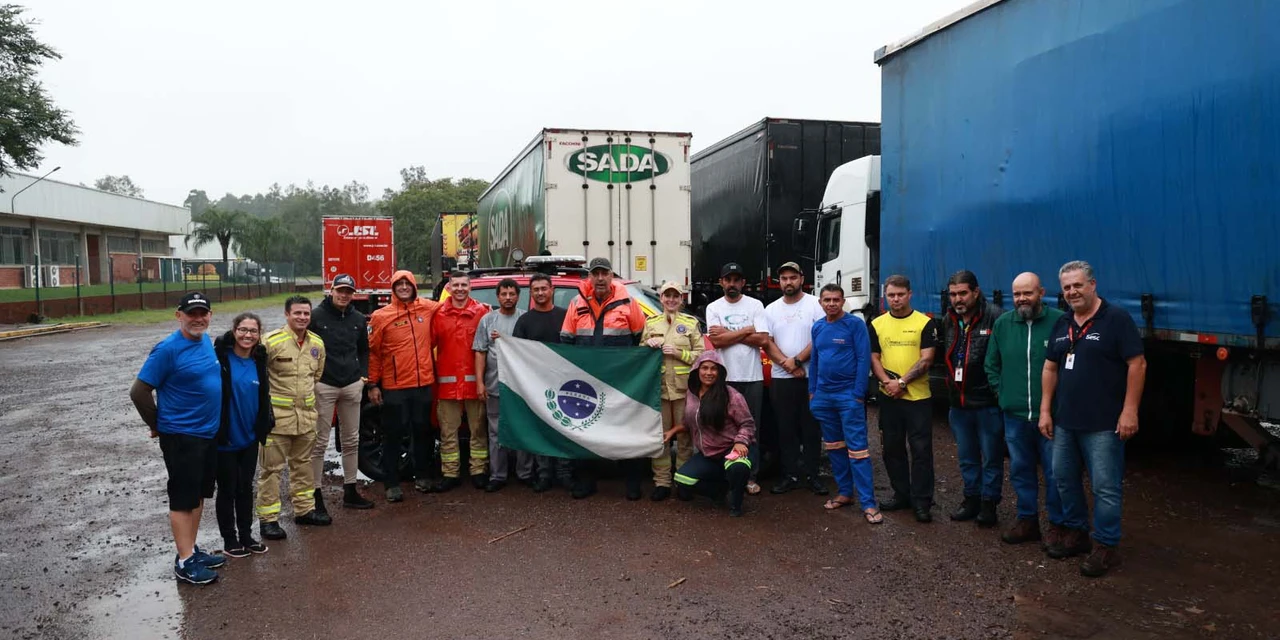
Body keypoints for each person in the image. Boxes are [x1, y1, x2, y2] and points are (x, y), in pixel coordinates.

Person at [1040, 260, 1145, 577]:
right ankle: (1077, 533)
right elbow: (1050, 368)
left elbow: (1137, 365)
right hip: (1065, 422)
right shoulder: (1063, 323)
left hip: (1103, 424)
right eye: (1067, 287)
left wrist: (1130, 410)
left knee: (1105, 487)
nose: (1072, 291)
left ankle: (1106, 546)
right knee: (1063, 479)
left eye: (1078, 285)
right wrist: (1045, 409)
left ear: (1093, 284)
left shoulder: (1116, 319)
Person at [130, 292, 227, 584]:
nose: (198, 319)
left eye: (203, 313)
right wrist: (158, 424)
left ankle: (191, 550)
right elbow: (139, 391)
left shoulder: (205, 343)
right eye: (191, 314)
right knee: (183, 499)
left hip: (207, 434)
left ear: (210, 315)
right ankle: (184, 562)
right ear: (179, 315)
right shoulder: (168, 349)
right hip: (182, 437)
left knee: (198, 494)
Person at [985, 272, 1065, 545]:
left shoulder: (1059, 322)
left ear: (1041, 292)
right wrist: (1002, 392)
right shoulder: (1004, 324)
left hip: (1052, 416)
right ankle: (1027, 519)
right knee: (1020, 469)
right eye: (1017, 294)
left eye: (1028, 293)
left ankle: (1058, 524)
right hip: (1015, 416)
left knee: (1056, 473)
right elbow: (991, 364)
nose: (1022, 299)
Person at [560, 257, 647, 499]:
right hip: (587, 381)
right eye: (595, 273)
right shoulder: (576, 302)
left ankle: (632, 482)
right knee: (586, 429)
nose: (599, 278)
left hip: (622, 381)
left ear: (611, 276)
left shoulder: (628, 302)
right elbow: (566, 341)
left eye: (604, 273)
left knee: (627, 429)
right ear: (589, 277)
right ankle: (586, 481)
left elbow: (641, 338)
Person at [257, 295, 330, 540]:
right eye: (297, 313)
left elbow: (316, 376)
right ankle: (268, 520)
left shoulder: (317, 344)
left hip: (306, 420)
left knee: (303, 467)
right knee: (272, 471)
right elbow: (258, 376)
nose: (302, 318)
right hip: (277, 421)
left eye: (306, 314)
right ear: (287, 314)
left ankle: (304, 510)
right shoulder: (271, 342)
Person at [868, 274, 939, 523]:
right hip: (889, 397)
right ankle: (902, 494)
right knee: (892, 449)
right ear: (885, 297)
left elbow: (927, 359)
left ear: (910, 294)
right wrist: (887, 383)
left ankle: (922, 501)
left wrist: (901, 382)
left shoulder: (925, 323)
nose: (895, 299)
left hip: (917, 398)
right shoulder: (877, 324)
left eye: (900, 294)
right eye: (891, 295)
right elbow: (874, 357)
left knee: (921, 451)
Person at [809, 284, 880, 524]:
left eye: (836, 300)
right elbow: (815, 361)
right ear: (820, 302)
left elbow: (863, 359)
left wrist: (858, 394)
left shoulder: (855, 325)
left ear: (842, 302)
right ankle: (845, 493)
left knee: (858, 449)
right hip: (824, 397)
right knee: (834, 447)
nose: (831, 304)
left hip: (848, 396)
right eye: (827, 299)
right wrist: (813, 393)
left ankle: (869, 504)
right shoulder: (818, 327)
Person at [367, 270, 441, 502]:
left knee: (423, 432)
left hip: (423, 384)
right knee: (393, 434)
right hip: (395, 386)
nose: (403, 288)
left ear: (414, 286)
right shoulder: (381, 316)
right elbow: (374, 353)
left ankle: (422, 476)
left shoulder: (427, 308)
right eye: (399, 284)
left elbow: (452, 307)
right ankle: (391, 483)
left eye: (407, 284)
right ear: (393, 288)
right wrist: (373, 384)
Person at [941, 270, 1004, 527]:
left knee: (991, 456)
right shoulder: (949, 319)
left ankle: (990, 504)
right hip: (959, 403)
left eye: (963, 293)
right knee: (966, 456)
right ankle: (971, 499)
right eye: (954, 294)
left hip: (987, 403)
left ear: (976, 292)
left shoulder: (995, 317)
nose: (958, 299)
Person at [307, 273, 374, 512]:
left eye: (348, 292)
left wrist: (363, 377)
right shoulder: (315, 317)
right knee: (319, 441)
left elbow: (364, 350)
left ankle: (350, 489)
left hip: (351, 385)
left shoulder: (357, 318)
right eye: (340, 290)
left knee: (351, 440)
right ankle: (315, 495)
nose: (344, 295)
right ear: (331, 290)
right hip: (324, 384)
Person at [704, 262, 770, 496]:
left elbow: (762, 340)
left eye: (736, 280)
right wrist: (746, 330)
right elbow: (717, 342)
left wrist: (729, 334)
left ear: (743, 282)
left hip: (752, 377)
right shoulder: (714, 307)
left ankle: (750, 476)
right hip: (724, 378)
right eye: (727, 280)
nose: (732, 284)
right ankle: (727, 473)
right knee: (722, 427)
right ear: (721, 282)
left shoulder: (756, 304)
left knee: (752, 428)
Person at [762, 261, 828, 496]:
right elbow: (766, 342)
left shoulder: (815, 305)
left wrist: (798, 360)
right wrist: (787, 365)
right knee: (785, 428)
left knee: (811, 427)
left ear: (802, 278)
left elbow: (820, 336)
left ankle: (812, 474)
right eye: (784, 278)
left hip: (811, 377)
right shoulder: (770, 309)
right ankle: (789, 474)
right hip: (782, 378)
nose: (788, 282)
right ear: (779, 282)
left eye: (792, 277)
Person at [212, 312, 273, 558]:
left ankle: (247, 535)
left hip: (249, 437)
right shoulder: (220, 357)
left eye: (253, 331)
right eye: (243, 330)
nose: (248, 335)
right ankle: (230, 539)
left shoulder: (259, 359)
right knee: (227, 488)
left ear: (259, 335)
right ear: (234, 330)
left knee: (245, 487)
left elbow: (263, 394)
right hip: (225, 437)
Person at [672, 350, 757, 517]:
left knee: (739, 468)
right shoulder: (691, 394)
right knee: (682, 480)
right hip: (708, 455)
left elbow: (747, 423)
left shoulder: (731, 395)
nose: (709, 373)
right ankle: (720, 490)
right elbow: (690, 421)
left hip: (731, 450)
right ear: (697, 370)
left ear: (720, 372)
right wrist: (673, 430)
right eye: (704, 368)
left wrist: (740, 441)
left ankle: (736, 502)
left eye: (713, 369)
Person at [641, 281, 704, 501]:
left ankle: (683, 481)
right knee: (661, 438)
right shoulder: (651, 323)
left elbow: (701, 355)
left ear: (681, 299)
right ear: (661, 299)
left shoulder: (690, 323)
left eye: (675, 296)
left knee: (685, 437)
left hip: (683, 390)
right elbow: (639, 354)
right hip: (659, 390)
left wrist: (679, 353)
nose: (671, 300)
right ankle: (662, 482)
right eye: (667, 296)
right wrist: (648, 343)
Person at [513, 273, 573, 492]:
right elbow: (515, 353)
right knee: (541, 431)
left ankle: (564, 473)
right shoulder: (524, 321)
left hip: (564, 383)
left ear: (552, 290)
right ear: (531, 293)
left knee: (563, 429)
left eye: (543, 288)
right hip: (536, 385)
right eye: (536, 289)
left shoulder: (566, 317)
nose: (540, 293)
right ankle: (544, 474)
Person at [433, 271, 490, 491]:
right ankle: (450, 473)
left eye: (463, 285)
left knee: (478, 430)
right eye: (455, 285)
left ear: (470, 287)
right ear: (449, 287)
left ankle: (479, 471)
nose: (459, 289)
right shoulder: (438, 314)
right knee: (448, 432)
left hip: (475, 383)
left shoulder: (482, 312)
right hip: (447, 384)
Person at [474, 278, 528, 492]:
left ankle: (525, 473)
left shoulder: (525, 319)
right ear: (498, 297)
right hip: (494, 385)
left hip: (521, 388)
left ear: (518, 296)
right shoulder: (487, 321)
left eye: (512, 294)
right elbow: (480, 351)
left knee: (522, 428)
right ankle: (498, 475)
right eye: (503, 294)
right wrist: (480, 382)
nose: (507, 298)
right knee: (495, 431)